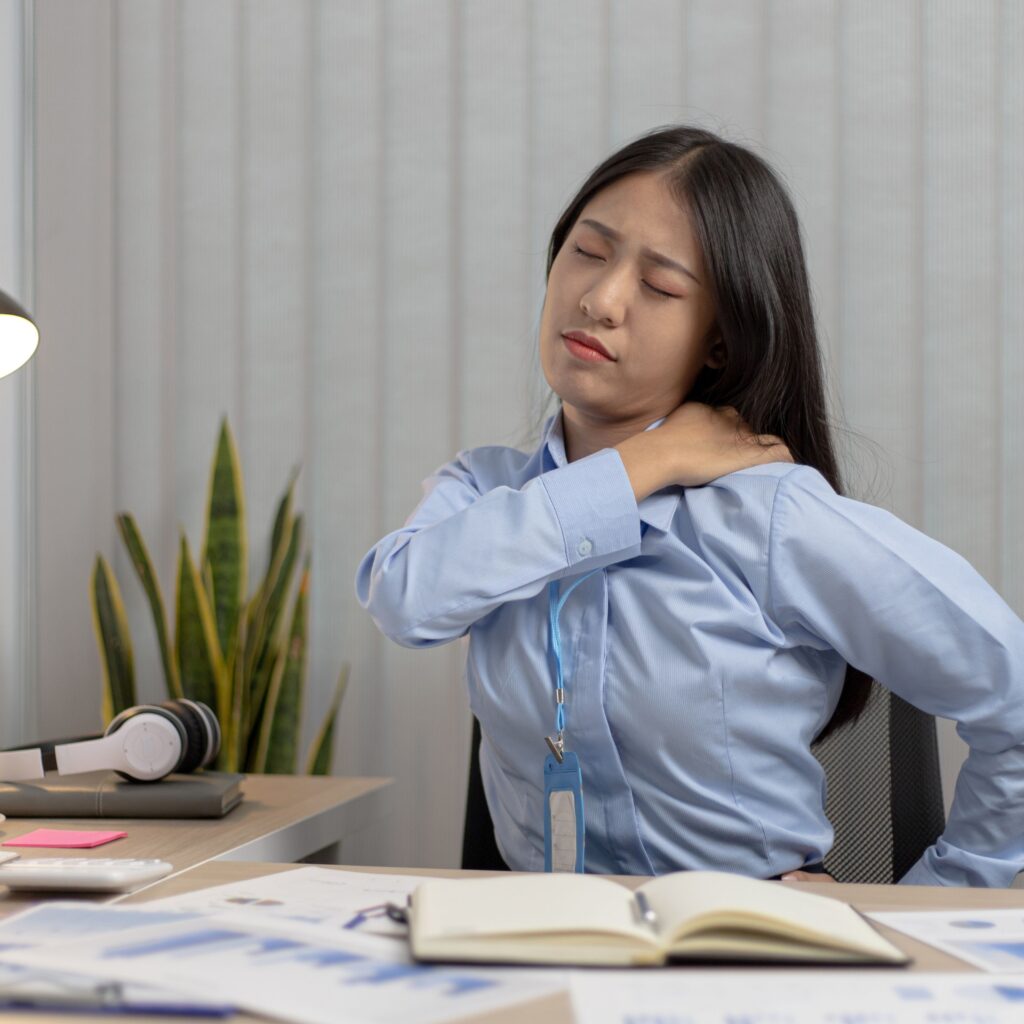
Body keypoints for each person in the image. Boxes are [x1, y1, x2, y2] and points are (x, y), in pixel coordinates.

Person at [356, 125, 1024, 886]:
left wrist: (932, 908)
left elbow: (1016, 695)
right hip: (541, 953)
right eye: (589, 250)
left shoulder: (771, 519)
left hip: (740, 960)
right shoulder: (485, 491)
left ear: (719, 341)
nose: (600, 299)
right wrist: (649, 459)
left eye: (661, 286)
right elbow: (405, 599)